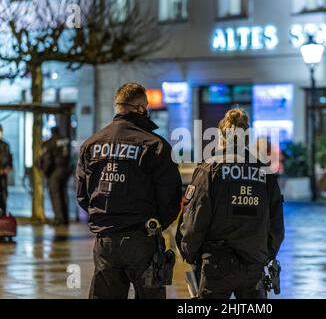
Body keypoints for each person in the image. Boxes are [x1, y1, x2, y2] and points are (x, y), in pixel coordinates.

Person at [76, 83, 182, 299]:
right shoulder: (155, 145)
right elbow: (171, 198)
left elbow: (82, 195)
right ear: (140, 108)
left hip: (105, 241)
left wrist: (104, 218)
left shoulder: (92, 144)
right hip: (143, 237)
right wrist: (157, 222)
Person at [178, 108, 285, 299]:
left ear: (221, 137)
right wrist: (266, 254)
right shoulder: (264, 172)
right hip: (254, 261)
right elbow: (276, 221)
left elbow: (195, 218)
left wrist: (190, 254)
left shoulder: (209, 169)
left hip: (217, 263)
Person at [40, 126, 71, 225]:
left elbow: (48, 160)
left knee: (55, 195)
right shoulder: (65, 141)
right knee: (64, 193)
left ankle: (59, 219)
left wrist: (46, 172)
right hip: (65, 170)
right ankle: (65, 218)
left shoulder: (51, 142)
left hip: (55, 171)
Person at [0, 125, 13, 215]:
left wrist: (7, 168)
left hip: (3, 175)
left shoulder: (5, 145)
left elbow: (10, 159)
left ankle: (3, 214)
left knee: (4, 195)